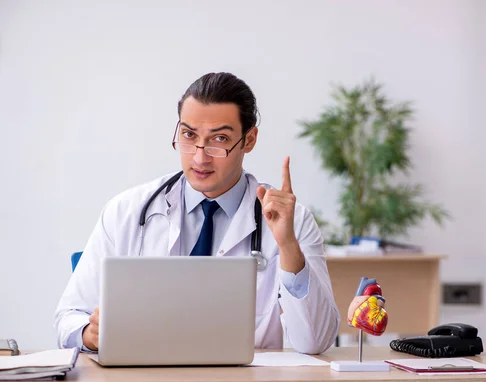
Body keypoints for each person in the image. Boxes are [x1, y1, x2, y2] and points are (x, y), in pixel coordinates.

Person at [54, 72, 340, 355]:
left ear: (249, 140)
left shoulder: (293, 221)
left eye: (219, 139)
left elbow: (315, 341)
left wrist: (288, 246)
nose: (200, 157)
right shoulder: (126, 212)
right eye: (189, 135)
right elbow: (67, 320)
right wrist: (90, 334)